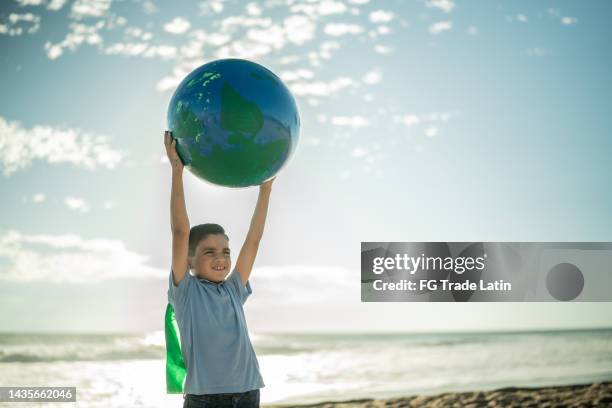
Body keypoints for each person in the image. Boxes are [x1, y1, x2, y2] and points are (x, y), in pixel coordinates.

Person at [164, 130, 272, 408]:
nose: (221, 258)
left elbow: (254, 239)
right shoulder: (185, 291)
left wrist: (266, 189)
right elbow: (179, 231)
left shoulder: (234, 289)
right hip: (206, 399)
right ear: (189, 260)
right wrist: (177, 171)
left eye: (225, 251)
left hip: (249, 391)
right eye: (209, 252)